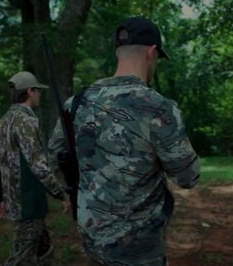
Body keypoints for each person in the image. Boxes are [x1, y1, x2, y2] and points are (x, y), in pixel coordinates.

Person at [48, 17, 201, 265]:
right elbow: (188, 177)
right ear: (151, 52)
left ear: (118, 53)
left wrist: (70, 193)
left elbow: (55, 155)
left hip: (92, 237)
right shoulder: (158, 108)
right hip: (138, 248)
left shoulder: (76, 102)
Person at [0, 71, 70, 266]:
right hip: (29, 204)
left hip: (17, 201)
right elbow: (38, 165)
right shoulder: (26, 122)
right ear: (30, 91)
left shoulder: (2, 123)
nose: (40, 95)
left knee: (44, 252)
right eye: (38, 91)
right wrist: (61, 194)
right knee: (19, 259)